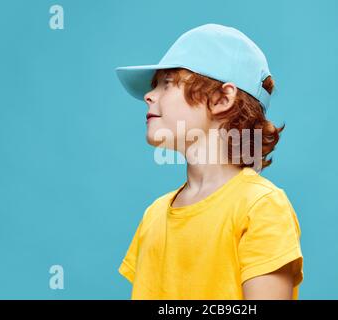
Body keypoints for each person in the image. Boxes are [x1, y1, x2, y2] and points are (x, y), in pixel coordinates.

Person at [115, 23, 303, 300]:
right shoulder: (153, 216)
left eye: (166, 83)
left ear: (221, 99)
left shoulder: (260, 206)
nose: (149, 95)